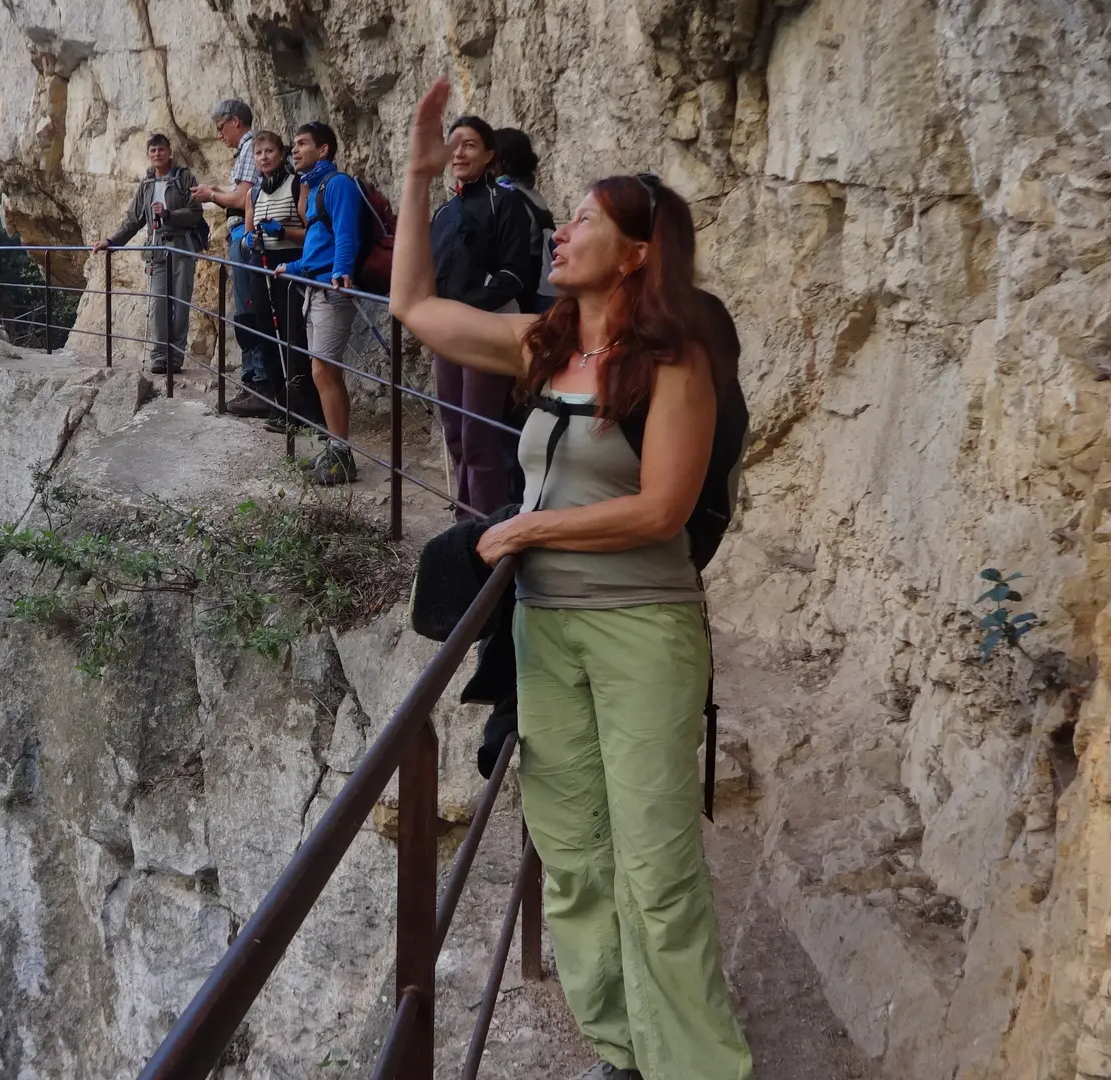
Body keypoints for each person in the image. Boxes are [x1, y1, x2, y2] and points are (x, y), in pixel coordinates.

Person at [390, 79, 753, 1080]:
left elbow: (662, 509)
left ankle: (698, 1065)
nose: (564, 232)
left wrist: (526, 527)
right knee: (576, 852)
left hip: (643, 629)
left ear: (637, 251)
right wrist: (420, 178)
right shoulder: (547, 345)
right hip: (547, 632)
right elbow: (414, 307)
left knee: (656, 863)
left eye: (586, 220)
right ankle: (620, 1049)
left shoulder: (671, 359)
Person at [428, 115, 536, 517]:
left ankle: (487, 525)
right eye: (453, 144)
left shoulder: (505, 203)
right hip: (448, 331)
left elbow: (513, 273)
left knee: (479, 435)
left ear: (490, 155)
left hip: (489, 328)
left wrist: (468, 310)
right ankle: (464, 515)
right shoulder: (443, 213)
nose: (459, 152)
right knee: (456, 433)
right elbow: (432, 274)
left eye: (470, 144)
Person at [275, 121, 364, 486]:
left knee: (323, 372)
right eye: (293, 145)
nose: (294, 150)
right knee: (325, 372)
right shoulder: (315, 189)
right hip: (314, 287)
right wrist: (292, 266)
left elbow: (346, 231)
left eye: (302, 144)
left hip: (330, 290)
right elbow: (318, 244)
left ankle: (341, 455)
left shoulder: (337, 184)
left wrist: (342, 270)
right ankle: (336, 448)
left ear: (323, 149)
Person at [94, 133, 207, 375]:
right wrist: (111, 241)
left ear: (170, 152)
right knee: (158, 303)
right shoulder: (146, 185)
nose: (157, 154)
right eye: (153, 151)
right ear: (149, 155)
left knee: (180, 303)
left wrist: (169, 215)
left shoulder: (184, 178)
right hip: (155, 248)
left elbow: (196, 211)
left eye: (161, 150)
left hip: (181, 247)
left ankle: (175, 358)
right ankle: (159, 356)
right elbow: (134, 220)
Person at [191, 99, 277, 408]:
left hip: (245, 234)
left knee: (249, 308)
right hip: (244, 233)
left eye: (220, 128)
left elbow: (242, 198)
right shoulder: (247, 150)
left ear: (235, 122)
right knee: (247, 307)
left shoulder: (250, 146)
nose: (219, 136)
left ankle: (259, 384)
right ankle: (254, 380)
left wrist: (211, 195)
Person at [244, 130, 320, 428]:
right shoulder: (254, 192)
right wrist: (250, 240)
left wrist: (285, 232)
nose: (264, 158)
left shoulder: (296, 185)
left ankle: (305, 410)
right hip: (261, 265)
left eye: (269, 152)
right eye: (259, 153)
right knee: (266, 335)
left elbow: (311, 231)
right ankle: (281, 406)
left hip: (289, 266)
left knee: (293, 336)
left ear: (281, 154)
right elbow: (248, 234)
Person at [494, 126, 559, 316]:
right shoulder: (532, 194)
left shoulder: (507, 197)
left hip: (522, 292)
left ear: (501, 161)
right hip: (542, 285)